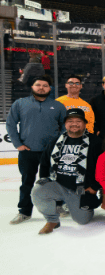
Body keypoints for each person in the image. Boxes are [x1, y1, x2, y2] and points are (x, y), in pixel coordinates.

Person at [31, 109, 102, 234]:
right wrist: (45, 181)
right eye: (70, 121)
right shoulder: (55, 141)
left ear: (85, 123)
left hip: (81, 188)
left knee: (82, 220)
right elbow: (45, 163)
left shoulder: (95, 142)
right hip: (59, 185)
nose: (74, 124)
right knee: (38, 191)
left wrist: (95, 187)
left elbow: (104, 167)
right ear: (65, 124)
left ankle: (80, 205)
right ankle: (52, 220)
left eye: (78, 121)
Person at [6, 77, 66, 224]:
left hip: (50, 152)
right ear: (32, 86)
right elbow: (11, 124)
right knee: (27, 181)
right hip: (28, 151)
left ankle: (58, 206)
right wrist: (18, 144)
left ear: (49, 89)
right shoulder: (20, 103)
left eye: (45, 85)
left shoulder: (57, 106)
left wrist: (60, 144)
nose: (41, 88)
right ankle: (24, 211)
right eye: (38, 85)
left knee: (52, 182)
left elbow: (65, 126)